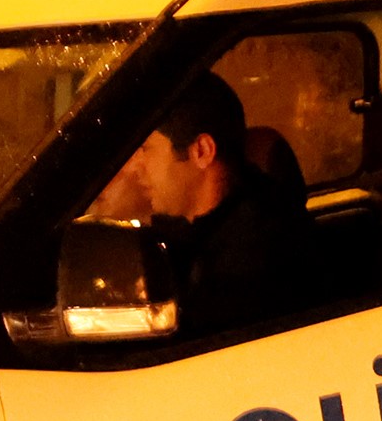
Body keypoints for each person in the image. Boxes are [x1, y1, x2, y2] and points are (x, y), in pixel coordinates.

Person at [91, 70, 311, 332]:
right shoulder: (213, 224)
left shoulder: (250, 262)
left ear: (201, 152)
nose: (137, 165)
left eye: (147, 149)